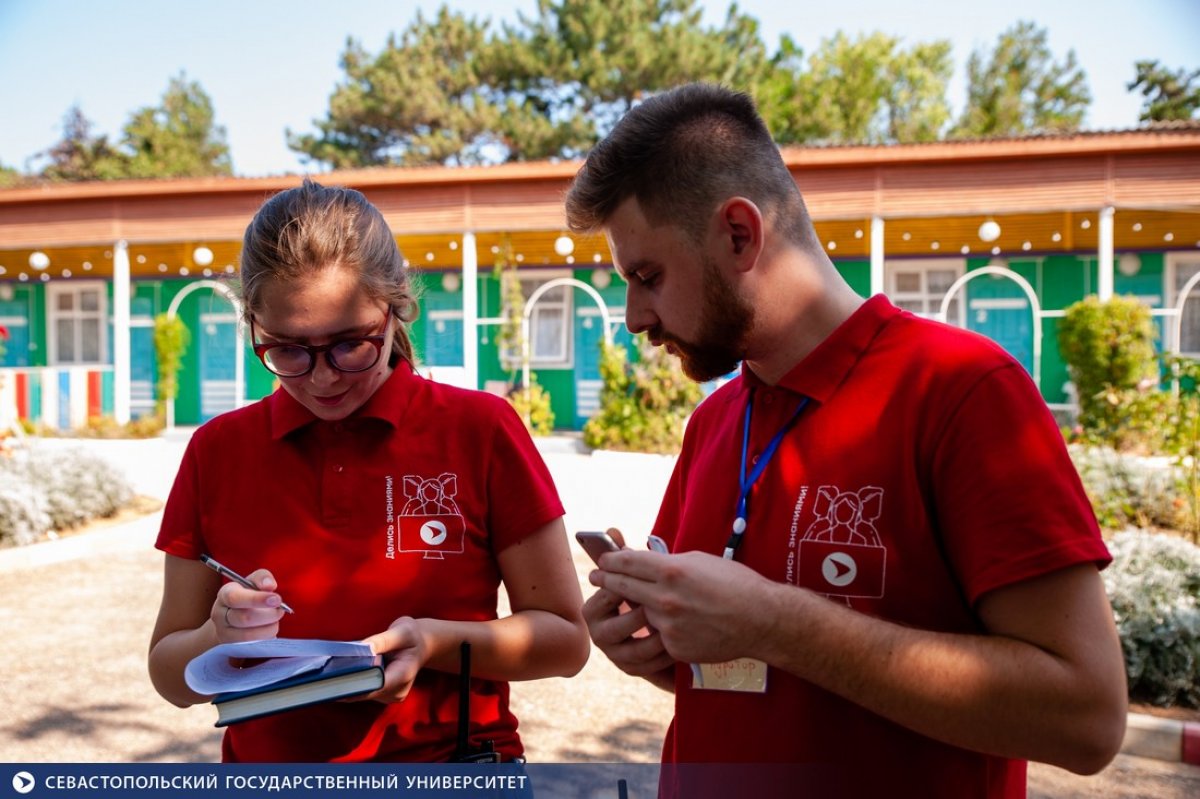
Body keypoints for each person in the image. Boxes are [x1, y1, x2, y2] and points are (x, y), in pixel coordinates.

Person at [566, 83, 1127, 798]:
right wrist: (658, 648)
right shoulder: (715, 422)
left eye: (647, 276)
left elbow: (1089, 719)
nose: (634, 317)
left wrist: (778, 621)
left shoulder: (962, 389)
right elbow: (754, 676)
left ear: (740, 233)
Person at [148, 178, 590, 763]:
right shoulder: (217, 449)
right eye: (288, 349)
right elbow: (170, 676)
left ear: (396, 307)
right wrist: (218, 638)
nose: (323, 377)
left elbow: (565, 642)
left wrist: (436, 643)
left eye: (351, 344)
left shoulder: (480, 429)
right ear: (253, 323)